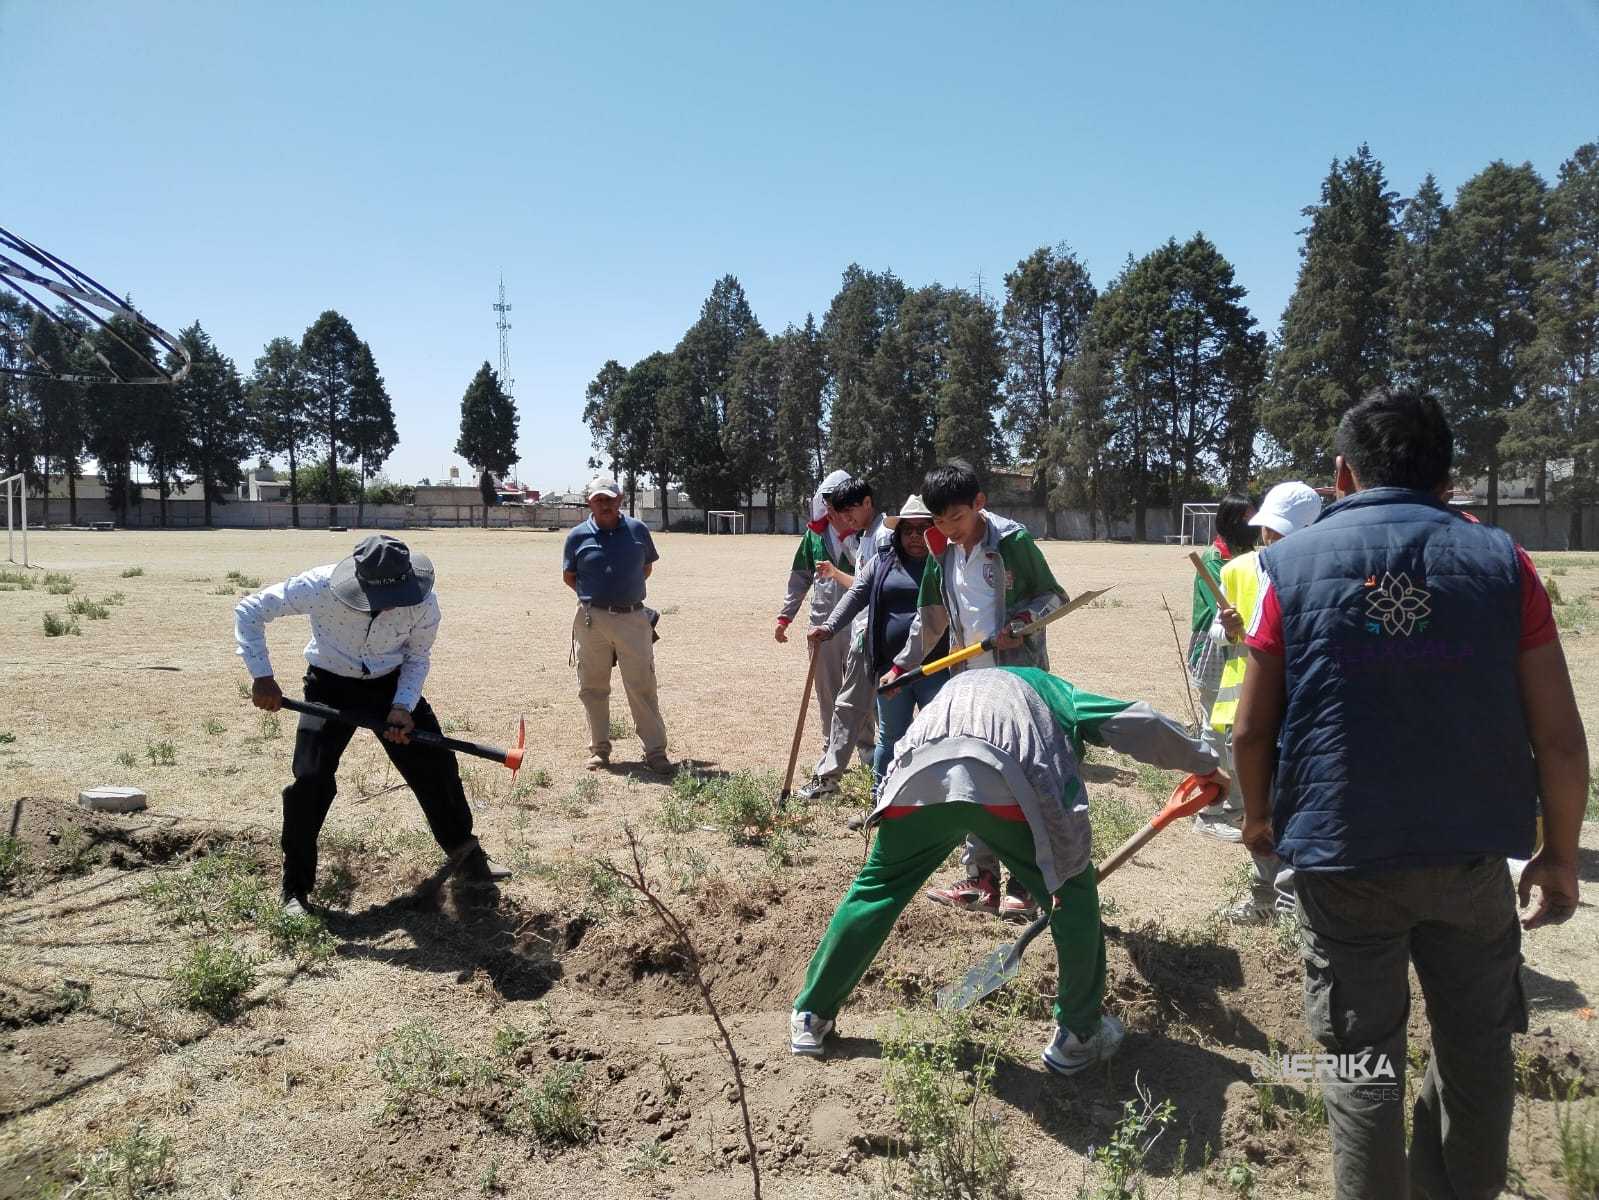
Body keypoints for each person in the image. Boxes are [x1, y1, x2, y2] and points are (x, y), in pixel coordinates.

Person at [1232, 390, 1588, 1200]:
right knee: (1476, 1054)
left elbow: (1251, 730)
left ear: (1340, 474)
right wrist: (1559, 855)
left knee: (1360, 1066)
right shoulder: (1504, 564)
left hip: (1342, 862)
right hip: (1467, 860)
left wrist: (1256, 818)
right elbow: (1561, 738)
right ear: (1445, 476)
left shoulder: (1287, 567)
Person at [789, 666, 1224, 1074]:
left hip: (918, 780)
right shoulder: (1051, 690)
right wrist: (1204, 762)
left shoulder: (963, 685)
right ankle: (1079, 1035)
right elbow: (1134, 721)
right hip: (1006, 786)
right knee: (1072, 894)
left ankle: (811, 1015)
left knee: (878, 889)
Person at [236, 534, 510, 915]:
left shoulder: (423, 603)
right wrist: (262, 676)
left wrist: (402, 706)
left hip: (390, 683)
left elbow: (417, 657)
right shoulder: (319, 586)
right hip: (329, 684)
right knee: (310, 778)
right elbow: (249, 610)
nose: (391, 604)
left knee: (436, 766)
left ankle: (467, 856)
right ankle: (295, 888)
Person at [892, 461, 1068, 921]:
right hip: (967, 684)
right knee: (973, 777)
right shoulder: (941, 550)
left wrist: (1021, 623)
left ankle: (1027, 883)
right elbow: (931, 618)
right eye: (939, 519)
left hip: (1015, 681)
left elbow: (1053, 596)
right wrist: (901, 666)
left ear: (979, 504)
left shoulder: (1012, 542)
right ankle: (981, 878)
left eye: (958, 517)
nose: (950, 528)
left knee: (1022, 780)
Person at [1204, 481, 1321, 921]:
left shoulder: (1322, 572)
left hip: (1300, 710)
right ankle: (1265, 896)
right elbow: (1218, 633)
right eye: (1269, 529)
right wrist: (1229, 628)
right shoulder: (1239, 569)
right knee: (1258, 805)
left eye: (1282, 531)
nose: (1272, 537)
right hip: (1249, 708)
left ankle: (1291, 902)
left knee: (1295, 805)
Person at [808, 494, 949, 789]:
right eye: (908, 530)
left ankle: (934, 800)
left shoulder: (945, 563)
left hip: (936, 668)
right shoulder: (883, 561)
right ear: (899, 533)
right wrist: (830, 627)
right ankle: (880, 797)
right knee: (891, 736)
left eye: (923, 529)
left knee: (940, 736)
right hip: (889, 670)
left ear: (934, 531)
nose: (915, 537)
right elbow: (857, 594)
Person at [564, 476, 671, 774]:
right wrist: (597, 600)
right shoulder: (576, 537)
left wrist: (622, 596)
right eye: (599, 499)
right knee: (592, 687)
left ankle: (655, 752)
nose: (605, 504)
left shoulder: (638, 531)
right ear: (590, 503)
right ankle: (599, 750)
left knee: (642, 685)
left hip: (632, 618)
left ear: (620, 499)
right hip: (591, 621)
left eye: (610, 499)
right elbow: (570, 576)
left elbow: (645, 568)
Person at [776, 471, 874, 790]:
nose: (834, 510)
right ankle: (830, 751)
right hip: (822, 626)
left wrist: (847, 541)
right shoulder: (814, 536)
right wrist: (785, 617)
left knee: (861, 693)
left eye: (839, 504)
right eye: (829, 503)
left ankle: (869, 753)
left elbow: (867, 579)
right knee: (828, 693)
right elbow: (800, 578)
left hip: (858, 624)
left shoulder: (865, 535)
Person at [1187, 494, 1257, 840]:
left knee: (1238, 732)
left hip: (1242, 653)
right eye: (1246, 518)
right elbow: (1225, 607)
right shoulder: (1216, 561)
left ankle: (1235, 805)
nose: (1253, 525)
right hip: (1213, 652)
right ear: (1230, 521)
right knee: (1214, 730)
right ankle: (1208, 810)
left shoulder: (1249, 556)